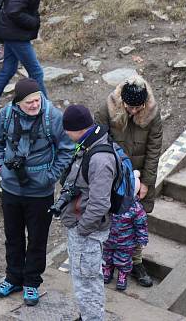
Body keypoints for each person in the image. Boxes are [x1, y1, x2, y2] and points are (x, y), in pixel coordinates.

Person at [0, 78, 74, 307]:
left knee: (37, 239)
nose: (35, 105)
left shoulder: (52, 117)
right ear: (18, 103)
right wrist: (0, 166)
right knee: (13, 236)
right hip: (11, 188)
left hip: (40, 191)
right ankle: (13, 278)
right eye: (29, 103)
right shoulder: (7, 115)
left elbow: (67, 149)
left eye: (37, 100)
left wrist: (51, 176)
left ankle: (32, 283)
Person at [95, 75, 163, 287]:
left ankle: (136, 262)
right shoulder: (106, 110)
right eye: (129, 107)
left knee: (136, 220)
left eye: (138, 107)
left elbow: (154, 149)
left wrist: (147, 182)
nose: (133, 111)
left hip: (139, 177)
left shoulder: (152, 114)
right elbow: (97, 144)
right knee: (109, 219)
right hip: (112, 176)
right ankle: (107, 261)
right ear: (122, 102)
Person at [59, 105, 118, 321]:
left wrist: (82, 230)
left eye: (67, 130)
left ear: (76, 129)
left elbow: (100, 203)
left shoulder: (100, 159)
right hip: (83, 227)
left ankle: (93, 318)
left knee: (87, 282)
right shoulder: (91, 143)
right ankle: (87, 316)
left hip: (88, 232)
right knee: (85, 279)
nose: (65, 134)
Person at [103, 171, 149, 291]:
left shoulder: (136, 208)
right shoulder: (112, 201)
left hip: (126, 242)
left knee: (123, 260)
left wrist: (142, 239)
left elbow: (141, 225)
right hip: (109, 238)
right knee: (106, 256)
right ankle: (108, 269)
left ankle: (122, 275)